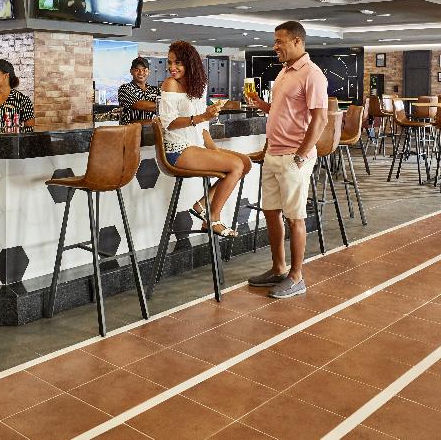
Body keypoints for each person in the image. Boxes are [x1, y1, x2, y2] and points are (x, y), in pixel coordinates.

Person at [245, 21, 327, 298]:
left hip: (294, 156)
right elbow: (284, 111)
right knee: (271, 212)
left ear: (297, 42)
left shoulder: (312, 74)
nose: (275, 46)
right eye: (275, 41)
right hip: (273, 153)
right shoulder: (283, 72)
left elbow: (320, 120)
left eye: (280, 41)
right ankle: (279, 268)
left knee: (295, 218)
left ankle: (296, 276)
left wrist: (301, 156)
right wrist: (263, 106)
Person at [158, 41, 250, 238]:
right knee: (235, 165)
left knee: (245, 163)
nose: (172, 67)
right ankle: (213, 218)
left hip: (196, 147)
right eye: (170, 62)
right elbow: (168, 123)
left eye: (178, 63)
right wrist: (202, 117)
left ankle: (202, 204)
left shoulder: (199, 86)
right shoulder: (170, 84)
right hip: (177, 150)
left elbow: (203, 128)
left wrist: (214, 150)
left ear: (190, 63)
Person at [117, 57, 160, 124]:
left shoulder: (156, 90)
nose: (141, 73)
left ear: (149, 72)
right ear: (131, 71)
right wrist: (163, 105)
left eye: (144, 70)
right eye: (137, 70)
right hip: (131, 130)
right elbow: (140, 105)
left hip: (153, 129)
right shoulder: (125, 88)